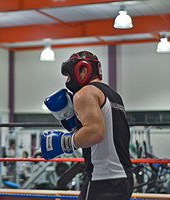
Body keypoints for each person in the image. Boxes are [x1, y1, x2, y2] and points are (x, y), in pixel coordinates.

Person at [41, 51, 133, 200]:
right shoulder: (113, 95)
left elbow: (96, 133)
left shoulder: (85, 93)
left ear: (83, 70)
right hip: (124, 177)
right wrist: (73, 123)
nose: (68, 80)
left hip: (103, 179)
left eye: (69, 74)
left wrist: (65, 142)